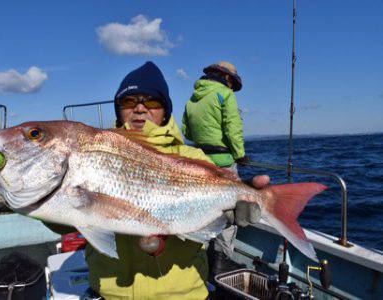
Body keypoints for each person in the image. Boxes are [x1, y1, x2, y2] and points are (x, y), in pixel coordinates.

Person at [45, 61, 267, 299]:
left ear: (165, 111)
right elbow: (65, 220)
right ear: (119, 109)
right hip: (112, 293)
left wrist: (231, 211)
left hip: (184, 294)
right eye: (129, 101)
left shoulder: (193, 158)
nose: (140, 108)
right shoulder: (94, 152)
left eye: (151, 101)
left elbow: (215, 209)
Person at [181, 61, 257, 279]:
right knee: (229, 213)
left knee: (203, 210)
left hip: (200, 161)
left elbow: (187, 130)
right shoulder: (225, 94)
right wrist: (240, 154)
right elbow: (233, 127)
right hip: (224, 162)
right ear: (227, 78)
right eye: (232, 81)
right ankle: (221, 261)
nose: (232, 87)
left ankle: (200, 258)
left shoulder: (192, 99)